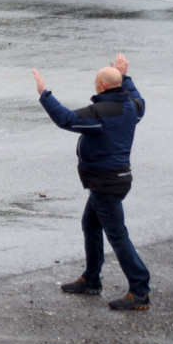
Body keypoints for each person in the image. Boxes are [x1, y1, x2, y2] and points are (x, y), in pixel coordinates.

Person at [32, 53, 151, 311]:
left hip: (106, 183)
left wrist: (44, 94)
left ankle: (140, 289)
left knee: (117, 236)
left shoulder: (101, 113)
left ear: (103, 87)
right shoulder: (131, 107)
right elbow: (140, 99)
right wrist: (125, 77)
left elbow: (66, 119)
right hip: (115, 180)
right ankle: (92, 279)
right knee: (90, 224)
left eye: (97, 82)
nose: (95, 85)